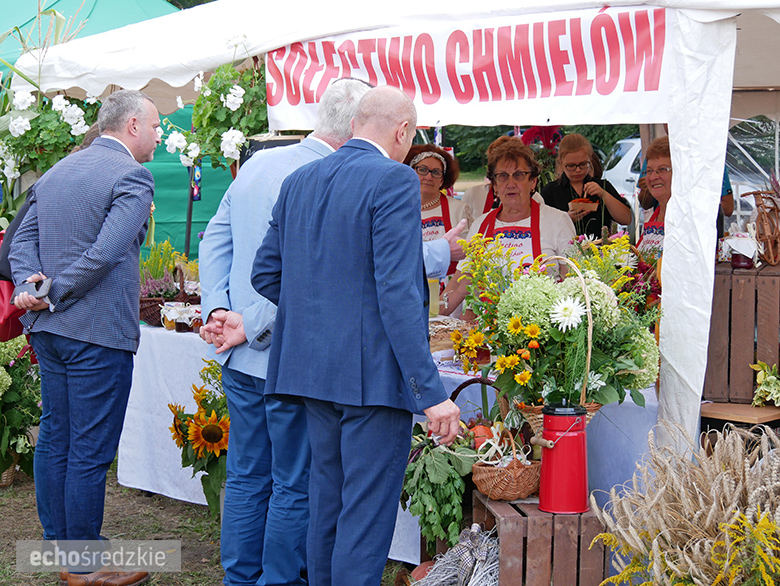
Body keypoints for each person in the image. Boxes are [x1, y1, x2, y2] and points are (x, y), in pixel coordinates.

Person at [251, 86, 461, 586]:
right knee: (363, 517)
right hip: (370, 377)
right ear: (403, 131)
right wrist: (433, 395)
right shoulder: (393, 179)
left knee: (328, 503)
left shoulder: (300, 178)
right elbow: (398, 293)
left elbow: (266, 273)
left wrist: (323, 316)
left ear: (354, 124)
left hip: (312, 370)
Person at [197, 78, 371, 586]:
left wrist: (218, 311)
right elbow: (316, 273)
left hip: (239, 351)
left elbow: (215, 238)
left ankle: (240, 578)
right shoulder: (325, 177)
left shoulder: (258, 163)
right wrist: (249, 322)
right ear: (356, 126)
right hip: (285, 354)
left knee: (249, 477)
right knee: (293, 482)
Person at [9, 89, 160, 586]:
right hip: (95, 332)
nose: (159, 136)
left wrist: (34, 285)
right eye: (156, 126)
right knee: (88, 447)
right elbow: (104, 254)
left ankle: (59, 545)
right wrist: (48, 289)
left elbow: (19, 241)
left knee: (56, 436)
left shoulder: (59, 169)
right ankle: (82, 562)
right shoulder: (133, 177)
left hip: (49, 329)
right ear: (133, 125)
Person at [440, 137, 576, 315]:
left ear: (533, 182)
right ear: (495, 185)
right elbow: (459, 285)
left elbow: (572, 282)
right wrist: (429, 321)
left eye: (519, 175)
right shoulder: (481, 225)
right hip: (484, 329)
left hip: (540, 330)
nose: (510, 184)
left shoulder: (557, 220)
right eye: (503, 176)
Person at [541, 133, 631, 237]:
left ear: (590, 160)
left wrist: (603, 194)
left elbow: (626, 219)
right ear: (561, 162)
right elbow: (542, 229)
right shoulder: (551, 191)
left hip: (601, 250)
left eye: (583, 164)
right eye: (571, 166)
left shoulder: (602, 185)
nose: (578, 170)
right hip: (565, 250)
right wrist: (566, 219)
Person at [403, 144, 466, 277]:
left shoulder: (459, 209)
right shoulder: (396, 209)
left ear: (443, 180)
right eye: (422, 169)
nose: (429, 177)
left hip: (447, 289)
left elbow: (467, 258)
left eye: (436, 172)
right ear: (410, 172)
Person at [638, 135, 672, 257]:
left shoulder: (687, 220)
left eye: (662, 169)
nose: (653, 177)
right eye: (649, 171)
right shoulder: (652, 217)